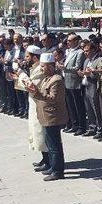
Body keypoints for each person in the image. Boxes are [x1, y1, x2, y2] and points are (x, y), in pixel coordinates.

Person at [25, 52, 69, 181]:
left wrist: (36, 93)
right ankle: (52, 165)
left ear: (50, 66)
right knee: (49, 144)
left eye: (43, 66)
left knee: (54, 145)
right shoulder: (46, 78)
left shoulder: (57, 80)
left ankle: (58, 171)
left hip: (53, 116)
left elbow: (53, 98)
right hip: (45, 116)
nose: (41, 69)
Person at [16, 45, 49, 170]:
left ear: (35, 57)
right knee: (36, 132)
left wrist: (20, 74)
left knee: (41, 132)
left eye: (28, 56)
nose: (25, 59)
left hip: (39, 104)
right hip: (34, 103)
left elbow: (31, 85)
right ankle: (44, 158)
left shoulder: (39, 69)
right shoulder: (34, 68)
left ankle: (48, 160)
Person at [60, 35, 86, 136]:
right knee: (70, 106)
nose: (68, 42)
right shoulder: (69, 51)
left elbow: (77, 67)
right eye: (67, 41)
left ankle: (81, 126)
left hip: (75, 82)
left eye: (70, 41)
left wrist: (65, 69)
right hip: (67, 81)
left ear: (76, 41)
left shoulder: (79, 52)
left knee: (78, 106)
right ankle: (74, 125)